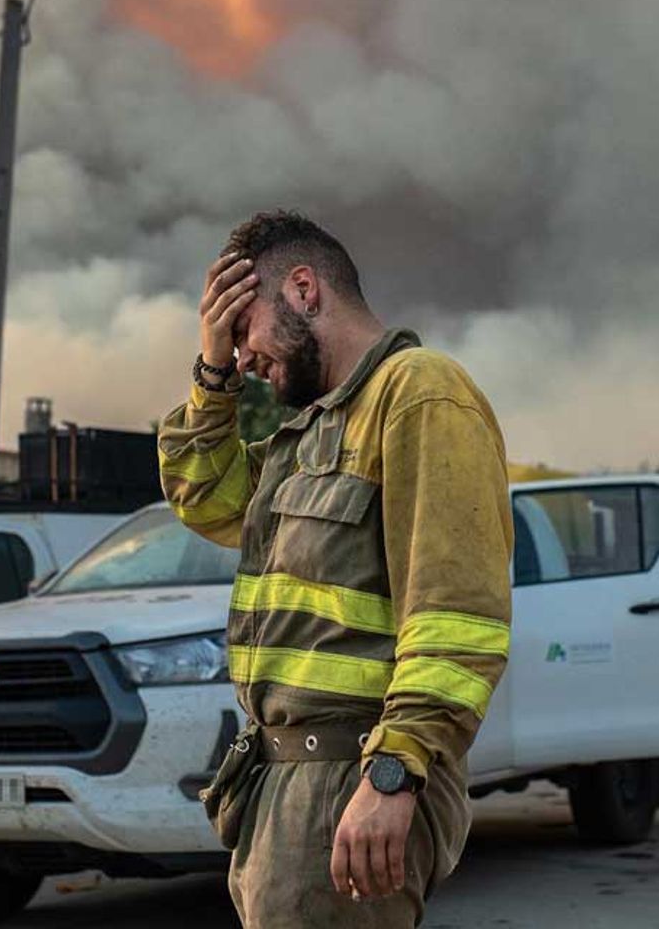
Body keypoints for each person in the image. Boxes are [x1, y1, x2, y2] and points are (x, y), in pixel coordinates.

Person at [158, 210, 513, 928]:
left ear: (303, 289)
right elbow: (205, 498)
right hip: (281, 787)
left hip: (351, 779)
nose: (243, 355)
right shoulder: (312, 431)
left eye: (243, 327)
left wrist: (395, 772)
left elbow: (456, 618)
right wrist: (211, 375)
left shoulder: (418, 391)